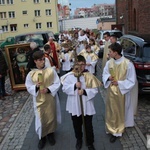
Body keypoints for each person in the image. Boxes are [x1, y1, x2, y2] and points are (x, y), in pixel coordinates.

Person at [60, 55, 101, 150]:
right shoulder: (69, 76)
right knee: (76, 124)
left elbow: (94, 90)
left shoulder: (89, 76)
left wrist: (85, 91)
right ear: (75, 65)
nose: (81, 67)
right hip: (74, 105)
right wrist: (74, 86)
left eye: (83, 64)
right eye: (79, 64)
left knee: (88, 125)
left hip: (86, 104)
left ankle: (90, 142)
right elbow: (64, 89)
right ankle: (79, 139)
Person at [25, 50, 61, 149]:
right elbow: (28, 86)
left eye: (43, 59)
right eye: (40, 60)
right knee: (40, 118)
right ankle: (42, 137)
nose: (43, 61)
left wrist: (48, 89)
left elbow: (57, 83)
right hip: (38, 100)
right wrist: (36, 87)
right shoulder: (31, 74)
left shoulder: (51, 71)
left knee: (51, 116)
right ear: (35, 61)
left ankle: (50, 134)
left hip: (50, 98)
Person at [102, 43, 137, 143]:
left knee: (121, 111)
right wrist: (108, 77)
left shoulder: (128, 64)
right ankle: (111, 128)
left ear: (116, 52)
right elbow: (105, 73)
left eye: (110, 52)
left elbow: (132, 80)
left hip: (123, 92)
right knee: (111, 110)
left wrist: (119, 83)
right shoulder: (110, 62)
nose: (108, 54)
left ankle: (117, 131)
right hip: (111, 92)